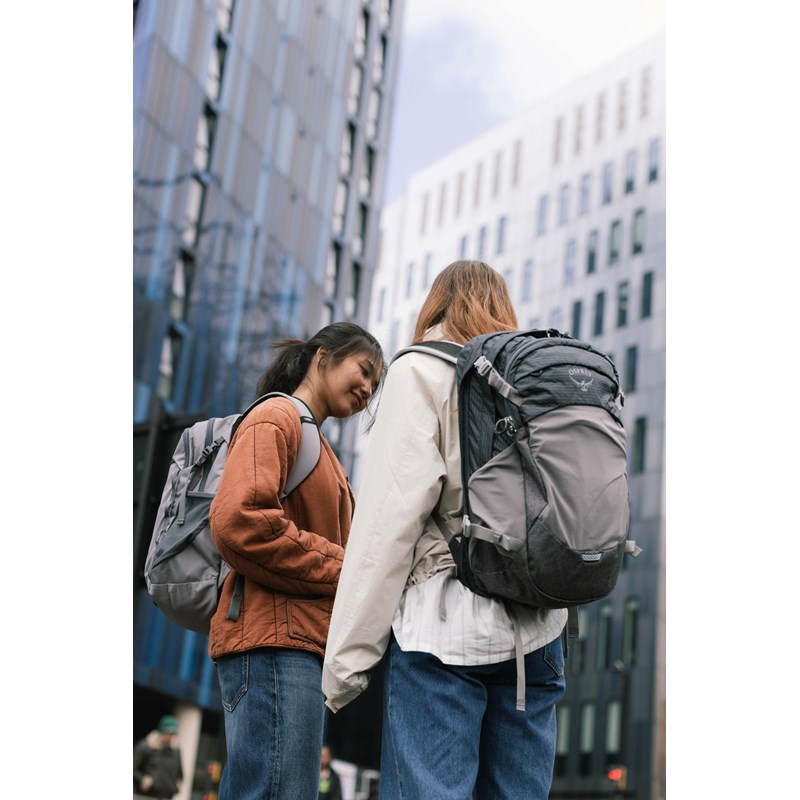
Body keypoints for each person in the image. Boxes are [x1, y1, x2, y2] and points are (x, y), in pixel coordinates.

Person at [322, 261, 568, 800]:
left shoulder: (421, 371)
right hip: (540, 633)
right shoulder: (538, 380)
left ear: (435, 306)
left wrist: (345, 664)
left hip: (444, 626)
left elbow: (388, 524)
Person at [208, 322, 384, 800]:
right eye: (364, 370)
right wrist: (347, 569)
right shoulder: (278, 417)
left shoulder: (319, 444)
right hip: (274, 643)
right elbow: (240, 521)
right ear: (323, 356)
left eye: (375, 382)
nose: (367, 388)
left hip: (295, 644)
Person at [133, 715, 183, 800]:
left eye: (173, 734)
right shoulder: (146, 747)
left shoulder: (176, 751)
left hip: (168, 796)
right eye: (168, 733)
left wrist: (177, 785)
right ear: (161, 732)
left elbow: (180, 774)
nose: (170, 737)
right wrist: (143, 779)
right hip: (146, 796)